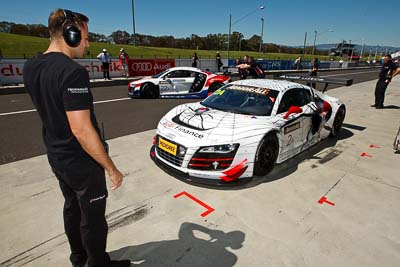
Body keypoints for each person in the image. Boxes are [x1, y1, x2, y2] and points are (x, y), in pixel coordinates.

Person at [22, 8, 130, 267]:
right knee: (92, 217)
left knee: (72, 207)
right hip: (80, 160)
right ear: (71, 34)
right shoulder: (72, 72)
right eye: (85, 36)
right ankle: (98, 263)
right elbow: (81, 129)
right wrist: (111, 168)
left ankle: (78, 257)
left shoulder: (32, 66)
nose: (88, 43)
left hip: (56, 154)